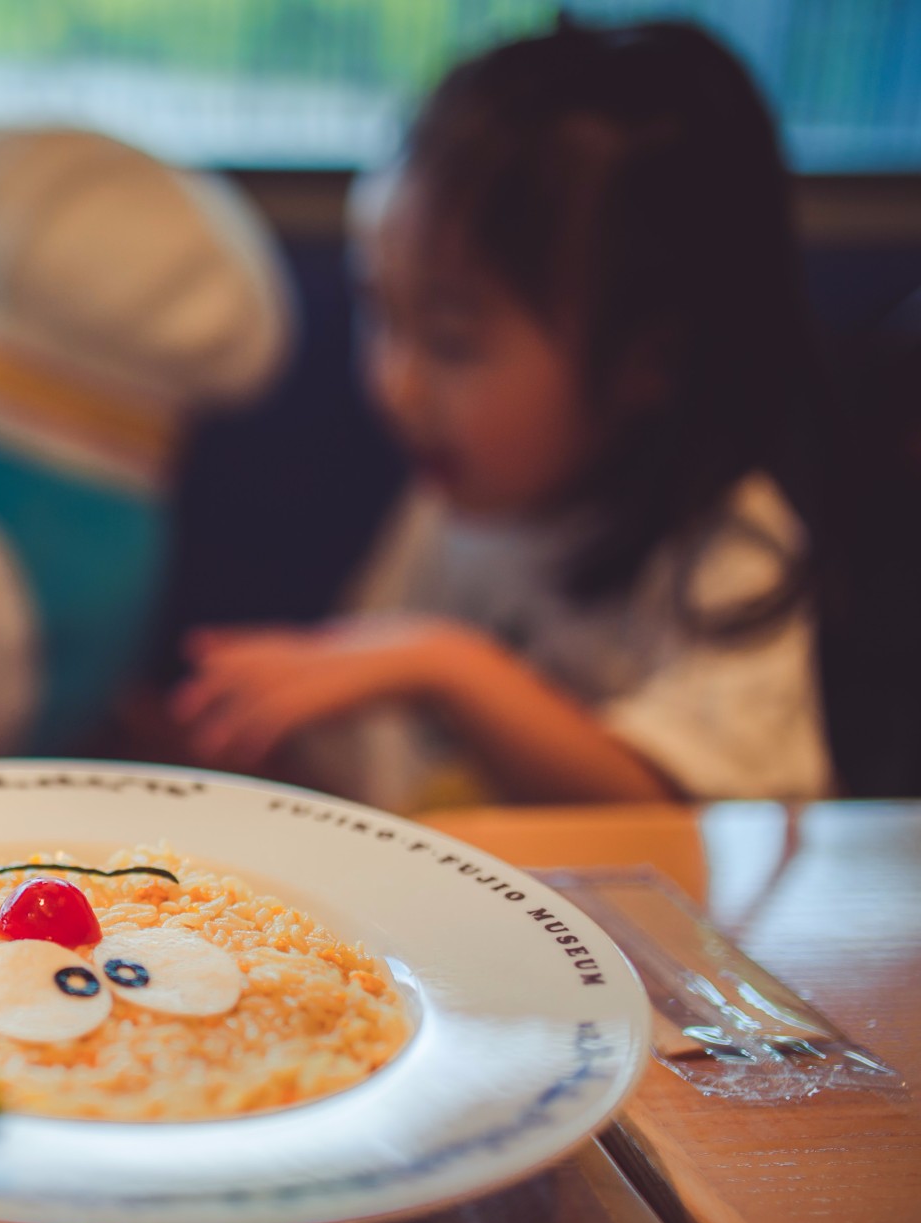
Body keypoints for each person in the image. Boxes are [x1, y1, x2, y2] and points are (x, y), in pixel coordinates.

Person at [172, 20, 841, 812]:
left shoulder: (728, 556)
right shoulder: (450, 503)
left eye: (452, 344)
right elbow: (372, 771)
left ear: (646, 364)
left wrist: (449, 667)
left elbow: (681, 827)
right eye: (382, 315)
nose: (398, 384)